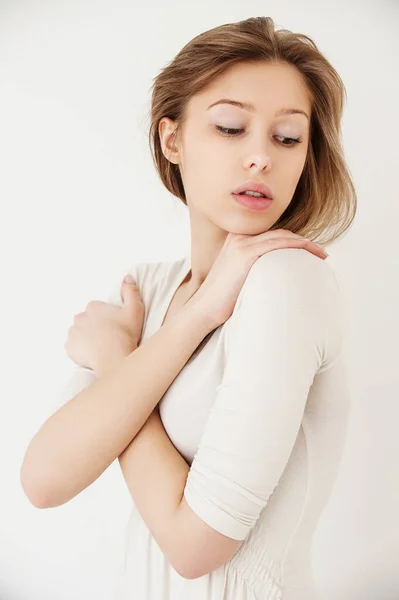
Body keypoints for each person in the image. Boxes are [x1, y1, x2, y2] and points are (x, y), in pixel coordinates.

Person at [21, 15, 356, 600]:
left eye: (286, 137)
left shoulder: (286, 283)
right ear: (171, 139)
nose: (261, 159)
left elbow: (196, 548)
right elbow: (43, 482)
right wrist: (189, 321)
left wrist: (120, 361)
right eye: (230, 127)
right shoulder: (147, 289)